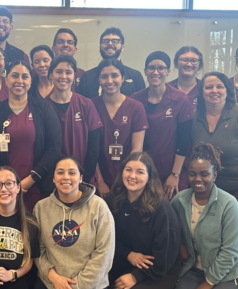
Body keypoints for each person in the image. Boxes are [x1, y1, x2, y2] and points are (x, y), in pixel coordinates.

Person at [32, 156, 115, 289]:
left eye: (71, 172)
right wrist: (55, 279)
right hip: (53, 283)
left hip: (89, 286)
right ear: (53, 178)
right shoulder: (41, 208)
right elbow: (38, 251)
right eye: (60, 172)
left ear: (81, 177)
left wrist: (75, 288)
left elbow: (104, 254)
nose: (66, 177)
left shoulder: (99, 207)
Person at [168, 143, 238, 289]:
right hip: (194, 269)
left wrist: (210, 282)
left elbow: (231, 251)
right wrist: (181, 246)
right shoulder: (180, 200)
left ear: (215, 175)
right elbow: (171, 229)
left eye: (204, 173)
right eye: (193, 174)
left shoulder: (229, 205)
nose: (198, 179)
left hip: (227, 273)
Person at [191, 72, 238, 265]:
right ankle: (222, 270)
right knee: (217, 229)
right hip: (214, 187)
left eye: (219, 86)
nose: (214, 91)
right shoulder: (194, 117)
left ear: (228, 90)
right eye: (208, 87)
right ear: (201, 92)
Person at [106, 152, 181, 289]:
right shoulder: (113, 200)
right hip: (125, 261)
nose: (132, 176)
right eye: (128, 170)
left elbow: (165, 258)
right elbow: (105, 238)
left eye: (140, 172)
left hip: (158, 270)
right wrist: (128, 254)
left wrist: (135, 277)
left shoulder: (162, 209)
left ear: (149, 177)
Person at [0, 60, 62, 211]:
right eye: (15, 76)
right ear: (6, 80)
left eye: (25, 76)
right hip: (4, 190)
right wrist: (6, 182)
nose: (19, 81)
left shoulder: (43, 108)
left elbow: (54, 147)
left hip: (37, 186)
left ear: (31, 81)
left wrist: (31, 179)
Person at [132, 51, 194, 199]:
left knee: (173, 216)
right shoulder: (136, 99)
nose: (156, 72)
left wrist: (175, 174)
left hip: (172, 170)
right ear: (145, 71)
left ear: (168, 71)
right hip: (145, 170)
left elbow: (184, 140)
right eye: (151, 68)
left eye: (161, 68)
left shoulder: (181, 99)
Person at [92, 59, 148, 196]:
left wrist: (126, 179)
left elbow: (137, 149)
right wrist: (99, 182)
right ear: (98, 79)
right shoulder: (91, 106)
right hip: (99, 178)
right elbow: (90, 150)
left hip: (128, 179)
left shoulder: (135, 107)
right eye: (104, 76)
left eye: (115, 75)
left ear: (123, 78)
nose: (109, 81)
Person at [46, 54, 101, 181]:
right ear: (50, 75)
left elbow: (94, 146)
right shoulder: (43, 107)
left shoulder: (86, 104)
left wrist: (84, 176)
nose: (63, 76)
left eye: (68, 72)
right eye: (58, 72)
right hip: (52, 178)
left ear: (75, 76)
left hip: (82, 176)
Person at [77, 27, 145, 99]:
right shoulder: (87, 76)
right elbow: (82, 106)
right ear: (100, 47)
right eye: (105, 41)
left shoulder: (135, 76)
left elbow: (140, 104)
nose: (110, 44)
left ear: (122, 47)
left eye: (115, 41)